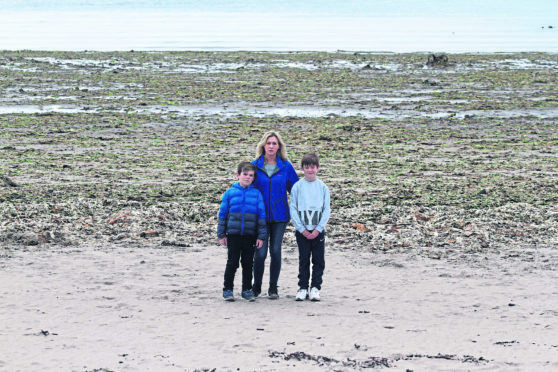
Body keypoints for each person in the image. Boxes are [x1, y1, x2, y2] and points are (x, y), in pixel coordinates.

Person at [251, 131, 299, 299]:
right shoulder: (254, 165)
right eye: (268, 143)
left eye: (274, 143)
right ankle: (256, 287)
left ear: (279, 147)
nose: (271, 146)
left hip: (280, 216)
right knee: (261, 253)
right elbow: (246, 188)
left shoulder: (286, 166)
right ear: (263, 145)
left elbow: (296, 190)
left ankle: (273, 288)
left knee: (276, 250)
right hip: (260, 217)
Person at [217, 161, 266, 302]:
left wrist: (261, 236)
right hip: (233, 234)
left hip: (250, 235)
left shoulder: (256, 194)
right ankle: (227, 289)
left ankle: (246, 289)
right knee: (232, 263)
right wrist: (221, 234)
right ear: (238, 175)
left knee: (247, 263)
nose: (248, 177)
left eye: (251, 175)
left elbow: (261, 216)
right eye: (245, 174)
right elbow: (223, 214)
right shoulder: (230, 193)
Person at [289, 153, 330, 302]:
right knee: (304, 260)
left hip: (318, 231)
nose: (310, 170)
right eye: (307, 168)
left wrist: (318, 228)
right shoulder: (297, 187)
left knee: (318, 261)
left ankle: (315, 288)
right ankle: (303, 288)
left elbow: (326, 210)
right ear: (302, 169)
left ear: (317, 168)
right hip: (302, 232)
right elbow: (293, 208)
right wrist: (302, 229)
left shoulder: (323, 187)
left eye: (312, 167)